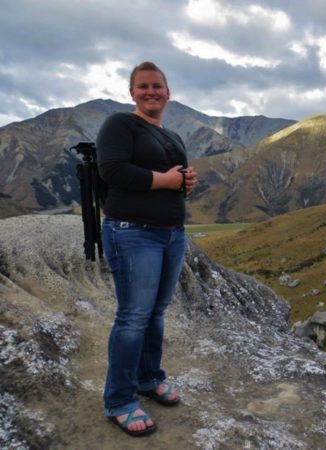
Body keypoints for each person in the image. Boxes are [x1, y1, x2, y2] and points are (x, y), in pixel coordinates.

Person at [96, 61, 197, 437]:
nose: (151, 91)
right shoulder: (121, 125)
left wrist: (185, 183)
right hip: (132, 232)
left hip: (171, 234)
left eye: (157, 86)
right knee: (134, 317)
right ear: (132, 93)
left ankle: (149, 378)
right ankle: (120, 400)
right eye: (143, 87)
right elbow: (114, 171)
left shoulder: (170, 135)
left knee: (155, 313)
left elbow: (171, 181)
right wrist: (166, 179)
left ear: (168, 92)